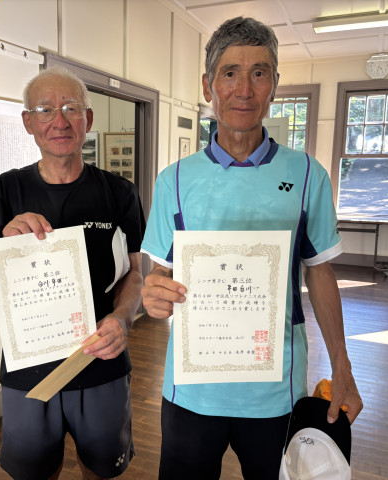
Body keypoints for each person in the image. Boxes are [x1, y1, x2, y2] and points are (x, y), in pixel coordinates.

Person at [140, 16, 363, 480]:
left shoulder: (308, 175)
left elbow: (320, 271)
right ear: (208, 86)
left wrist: (341, 364)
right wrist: (153, 293)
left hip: (275, 390)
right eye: (230, 73)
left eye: (259, 73)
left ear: (274, 86)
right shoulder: (174, 180)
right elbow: (159, 271)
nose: (244, 89)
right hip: (192, 387)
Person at [0, 66, 145, 480]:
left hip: (101, 359)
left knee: (101, 468)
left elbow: (135, 272)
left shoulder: (119, 192)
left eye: (70, 108)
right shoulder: (8, 189)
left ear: (88, 119)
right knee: (35, 471)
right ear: (29, 122)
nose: (59, 121)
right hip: (29, 366)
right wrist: (5, 239)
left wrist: (123, 318)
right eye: (45, 110)